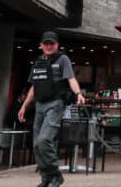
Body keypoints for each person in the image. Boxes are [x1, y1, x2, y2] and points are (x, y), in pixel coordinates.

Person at [18, 31, 86, 187]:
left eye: (52, 43)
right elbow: (34, 87)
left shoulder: (63, 59)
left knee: (44, 140)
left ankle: (55, 176)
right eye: (46, 43)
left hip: (55, 104)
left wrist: (78, 93)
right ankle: (46, 178)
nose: (49, 46)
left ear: (57, 45)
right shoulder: (38, 62)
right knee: (36, 145)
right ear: (41, 45)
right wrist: (24, 106)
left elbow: (71, 79)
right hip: (40, 105)